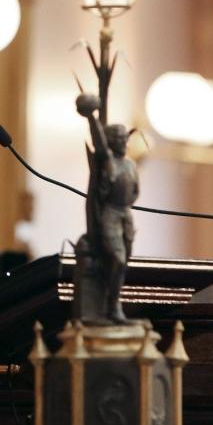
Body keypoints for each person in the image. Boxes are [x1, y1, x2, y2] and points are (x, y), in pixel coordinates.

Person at [76, 94, 138, 323]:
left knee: (124, 263)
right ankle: (113, 308)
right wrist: (92, 116)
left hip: (126, 214)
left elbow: (134, 192)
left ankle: (113, 304)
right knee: (118, 260)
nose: (124, 141)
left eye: (125, 138)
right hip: (110, 214)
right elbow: (99, 144)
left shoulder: (130, 164)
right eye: (119, 138)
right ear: (111, 141)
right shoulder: (107, 160)